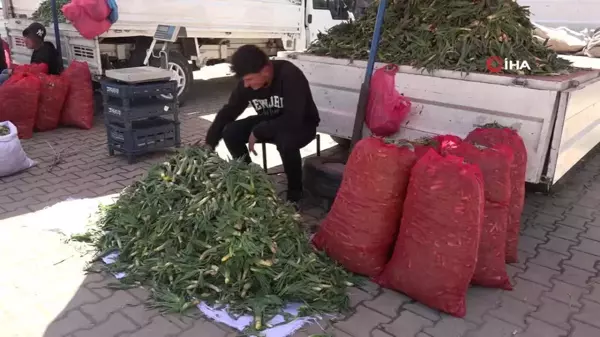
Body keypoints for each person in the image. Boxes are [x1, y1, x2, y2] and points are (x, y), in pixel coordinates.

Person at [203, 45, 320, 205]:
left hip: (301, 124)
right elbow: (229, 112)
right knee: (230, 131)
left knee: (286, 141)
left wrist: (259, 131)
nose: (246, 85)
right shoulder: (247, 85)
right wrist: (210, 142)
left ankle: (295, 194)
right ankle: (251, 181)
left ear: (265, 71)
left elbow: (293, 118)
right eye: (244, 80)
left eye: (249, 79)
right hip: (269, 121)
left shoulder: (290, 75)